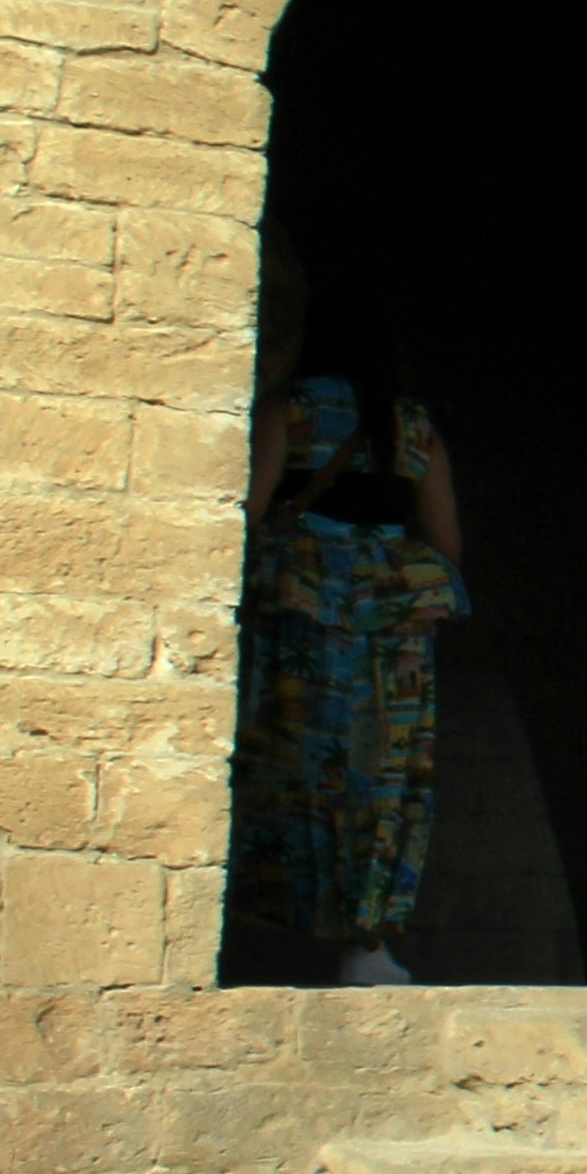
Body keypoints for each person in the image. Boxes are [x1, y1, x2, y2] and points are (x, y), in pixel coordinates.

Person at [234, 290, 471, 985]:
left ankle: (274, 933)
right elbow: (448, 540)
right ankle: (367, 940)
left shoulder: (291, 408)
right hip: (393, 628)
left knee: (292, 767)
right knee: (387, 777)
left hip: (302, 621)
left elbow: (250, 509)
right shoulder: (413, 425)